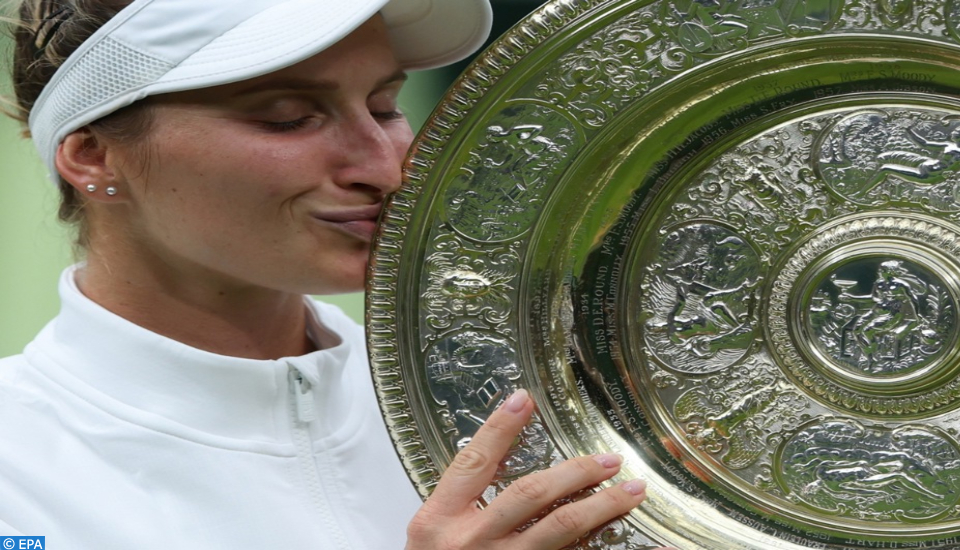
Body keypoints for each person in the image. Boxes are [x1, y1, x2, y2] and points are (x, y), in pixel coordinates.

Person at [0, 1, 667, 548]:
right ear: (92, 156)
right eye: (287, 118)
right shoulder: (19, 469)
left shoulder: (511, 404)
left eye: (383, 107)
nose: (386, 166)